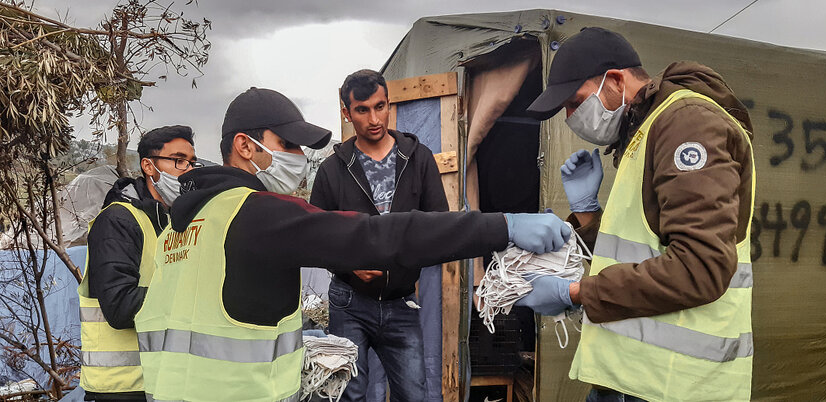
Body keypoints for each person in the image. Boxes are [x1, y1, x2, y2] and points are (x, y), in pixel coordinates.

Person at [133, 87, 572, 402]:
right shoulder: (255, 213)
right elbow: (379, 236)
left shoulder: (182, 224)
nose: (298, 158)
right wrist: (502, 226)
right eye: (286, 144)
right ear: (245, 147)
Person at [519, 27, 756, 401]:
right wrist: (587, 217)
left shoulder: (687, 123)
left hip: (673, 385)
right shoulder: (646, 129)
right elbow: (643, 249)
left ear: (615, 80)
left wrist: (577, 293)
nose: (569, 117)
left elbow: (700, 267)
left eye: (575, 102)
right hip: (633, 378)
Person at [310, 69, 447, 402]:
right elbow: (314, 237)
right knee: (349, 393)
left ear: (389, 104)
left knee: (414, 394)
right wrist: (349, 264)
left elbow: (440, 225)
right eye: (362, 110)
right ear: (347, 112)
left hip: (401, 301)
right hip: (350, 302)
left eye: (380, 106)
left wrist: (403, 258)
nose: (374, 118)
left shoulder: (418, 159)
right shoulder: (332, 169)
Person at [78, 125, 200, 401]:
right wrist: (194, 298)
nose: (188, 169)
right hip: (122, 387)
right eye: (178, 160)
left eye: (192, 162)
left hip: (161, 381)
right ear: (148, 166)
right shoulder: (118, 220)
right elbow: (120, 307)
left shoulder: (171, 223)